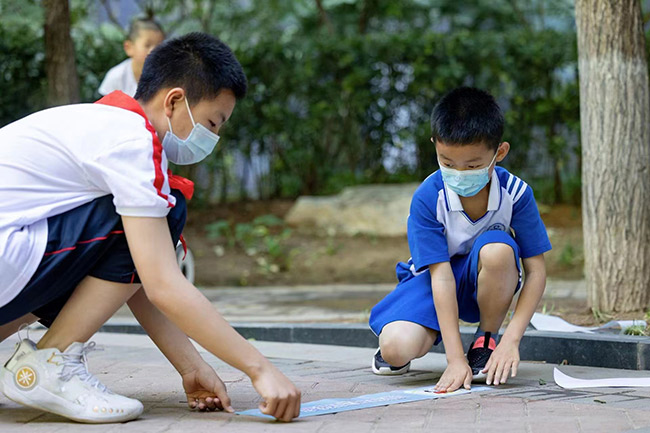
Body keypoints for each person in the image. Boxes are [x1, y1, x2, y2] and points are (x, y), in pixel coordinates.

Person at [0, 32, 301, 423]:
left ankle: (47, 361)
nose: (213, 137)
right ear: (174, 100)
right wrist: (260, 369)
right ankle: (51, 363)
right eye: (212, 122)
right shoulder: (132, 141)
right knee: (167, 211)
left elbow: (132, 278)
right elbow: (160, 282)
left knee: (140, 237)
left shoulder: (101, 123)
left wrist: (191, 366)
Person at [369, 87, 551, 393]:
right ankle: (408, 340)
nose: (459, 174)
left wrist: (511, 340)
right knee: (396, 348)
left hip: (485, 280)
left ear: (499, 153)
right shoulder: (428, 198)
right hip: (433, 282)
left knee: (498, 249)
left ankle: (485, 341)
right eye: (448, 163)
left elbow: (537, 271)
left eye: (473, 166)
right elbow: (440, 277)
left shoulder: (516, 194)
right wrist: (454, 360)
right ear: (435, 146)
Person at [98, 17, 165, 97]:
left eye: (159, 46)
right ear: (129, 48)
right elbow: (105, 104)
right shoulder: (116, 77)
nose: (154, 51)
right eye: (147, 45)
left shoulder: (166, 77)